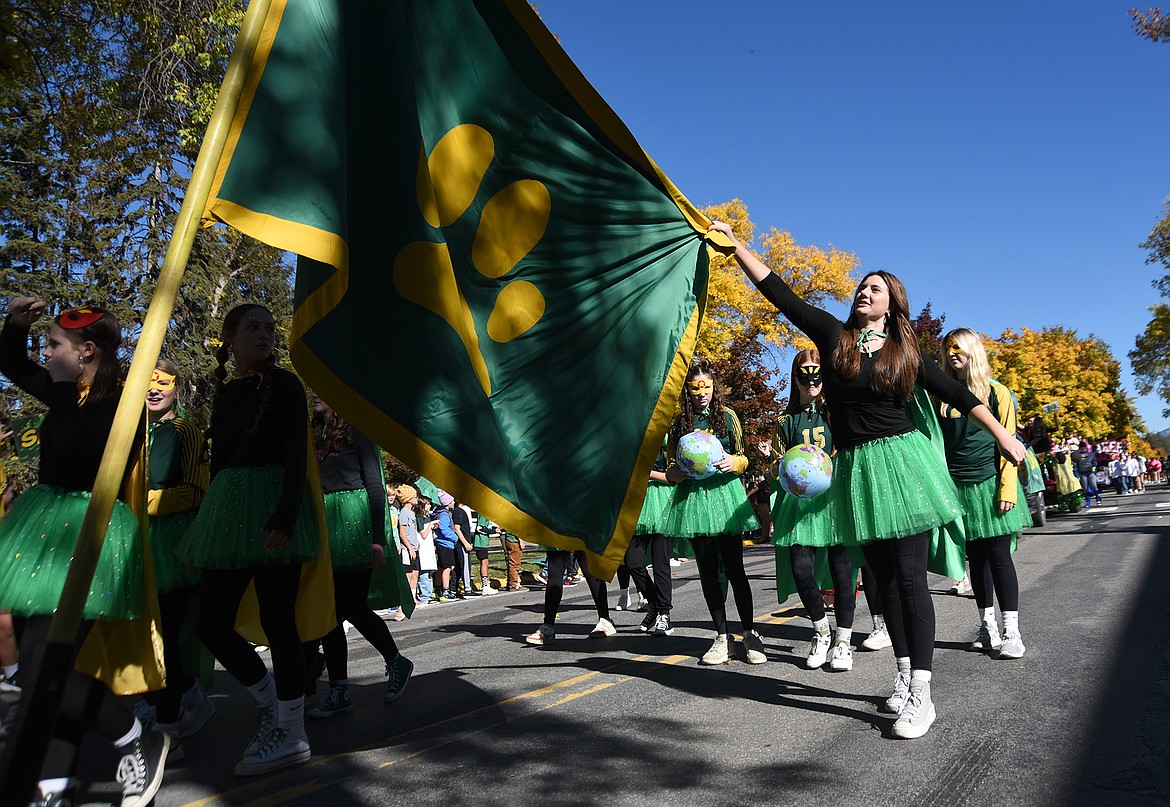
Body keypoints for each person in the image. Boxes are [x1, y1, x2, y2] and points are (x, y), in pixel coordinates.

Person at [712, 221, 1025, 740]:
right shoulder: (835, 338)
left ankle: (922, 693)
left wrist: (1004, 438)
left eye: (874, 288)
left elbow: (963, 394)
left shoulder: (905, 354)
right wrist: (738, 247)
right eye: (861, 287)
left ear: (891, 304)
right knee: (881, 583)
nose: (863, 292)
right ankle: (903, 676)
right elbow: (780, 293)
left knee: (908, 579)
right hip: (856, 470)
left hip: (902, 468)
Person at [0, 299, 167, 806]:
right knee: (38, 671)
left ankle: (137, 736)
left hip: (88, 534)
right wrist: (15, 325)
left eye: (53, 345)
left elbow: (90, 457)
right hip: (41, 535)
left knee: (43, 670)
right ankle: (53, 785)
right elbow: (12, 363)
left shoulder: (121, 402)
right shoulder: (62, 392)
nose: (45, 353)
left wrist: (72, 402)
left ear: (85, 350)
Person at [179, 303, 322, 776]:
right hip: (227, 513)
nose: (263, 333)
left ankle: (292, 730)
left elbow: (297, 454)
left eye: (268, 327)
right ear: (230, 338)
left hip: (272, 508)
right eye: (252, 327)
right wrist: (206, 530)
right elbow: (219, 465)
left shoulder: (284, 385)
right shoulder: (226, 392)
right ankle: (267, 702)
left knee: (279, 621)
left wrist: (284, 513)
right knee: (211, 624)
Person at [304, 395, 413, 718]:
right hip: (325, 528)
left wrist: (378, 539)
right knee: (329, 612)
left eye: (323, 389)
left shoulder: (358, 430)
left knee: (350, 606)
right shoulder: (314, 434)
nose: (315, 394)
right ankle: (338, 688)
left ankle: (395, 662)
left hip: (354, 526)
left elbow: (375, 485)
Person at [938, 329, 1032, 659]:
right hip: (958, 489)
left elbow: (1008, 442)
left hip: (992, 485)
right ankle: (986, 625)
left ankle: (1012, 631)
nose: (952, 353)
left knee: (999, 556)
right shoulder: (942, 397)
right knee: (975, 560)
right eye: (947, 348)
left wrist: (1008, 487)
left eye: (958, 347)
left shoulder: (997, 393)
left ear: (973, 351)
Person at [663, 361, 764, 666]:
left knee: (735, 570)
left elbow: (746, 458)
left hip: (724, 498)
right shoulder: (679, 422)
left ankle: (749, 633)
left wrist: (735, 462)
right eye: (695, 387)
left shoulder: (727, 417)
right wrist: (676, 474)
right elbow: (669, 468)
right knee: (708, 572)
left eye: (706, 386)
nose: (702, 393)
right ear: (687, 391)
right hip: (694, 502)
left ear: (714, 388)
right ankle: (722, 638)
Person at [141, 359, 216, 757]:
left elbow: (193, 491)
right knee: (145, 632)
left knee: (166, 633)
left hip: (170, 544)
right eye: (148, 383)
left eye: (163, 383)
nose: (154, 390)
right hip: (134, 539)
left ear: (175, 389)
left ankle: (171, 723)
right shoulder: (134, 434)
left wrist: (141, 502)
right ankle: (180, 698)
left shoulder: (186, 431)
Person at [764, 350, 857, 671]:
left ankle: (844, 639)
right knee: (802, 570)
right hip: (801, 504)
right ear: (795, 377)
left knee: (843, 572)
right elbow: (776, 465)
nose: (812, 380)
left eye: (818, 373)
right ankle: (821, 630)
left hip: (834, 502)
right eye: (805, 373)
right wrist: (778, 466)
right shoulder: (785, 420)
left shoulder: (836, 411)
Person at [624, 436, 676, 636]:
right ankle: (654, 603)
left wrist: (648, 473)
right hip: (638, 504)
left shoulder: (669, 437)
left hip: (663, 503)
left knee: (660, 563)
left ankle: (664, 614)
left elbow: (675, 476)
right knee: (632, 561)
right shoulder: (632, 434)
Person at [524, 549, 614, 645]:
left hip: (581, 535)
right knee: (554, 573)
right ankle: (548, 628)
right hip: (560, 536)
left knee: (590, 571)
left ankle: (605, 619)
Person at [396, 484, 422, 607]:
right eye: (414, 496)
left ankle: (412, 597)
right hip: (407, 549)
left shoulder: (411, 513)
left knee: (415, 573)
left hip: (414, 547)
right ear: (408, 498)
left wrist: (416, 542)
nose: (417, 498)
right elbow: (402, 533)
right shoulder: (404, 513)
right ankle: (406, 599)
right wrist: (410, 548)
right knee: (408, 574)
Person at [432, 491, 459, 601]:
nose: (453, 503)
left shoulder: (441, 513)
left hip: (442, 543)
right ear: (448, 503)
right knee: (448, 567)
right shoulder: (444, 515)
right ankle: (445, 590)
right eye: (452, 501)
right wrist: (454, 538)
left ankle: (438, 588)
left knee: (442, 567)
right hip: (445, 544)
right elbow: (444, 529)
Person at [1072, 440, 1103, 506]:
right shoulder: (1078, 455)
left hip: (1090, 472)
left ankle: (1098, 498)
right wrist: (1076, 473)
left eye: (1084, 447)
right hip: (1082, 473)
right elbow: (1075, 464)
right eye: (1081, 448)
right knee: (1085, 488)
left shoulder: (1091, 454)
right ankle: (1088, 501)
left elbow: (1095, 462)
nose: (1083, 449)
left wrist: (1093, 466)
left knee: (1094, 486)